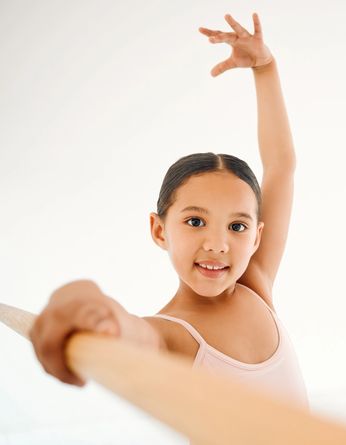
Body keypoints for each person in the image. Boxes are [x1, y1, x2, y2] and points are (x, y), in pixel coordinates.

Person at [29, 12, 309, 410]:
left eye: (237, 226)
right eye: (195, 221)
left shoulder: (255, 286)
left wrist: (266, 68)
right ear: (159, 231)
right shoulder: (170, 333)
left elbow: (281, 166)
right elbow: (130, 334)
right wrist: (87, 301)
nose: (217, 243)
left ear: (257, 237)